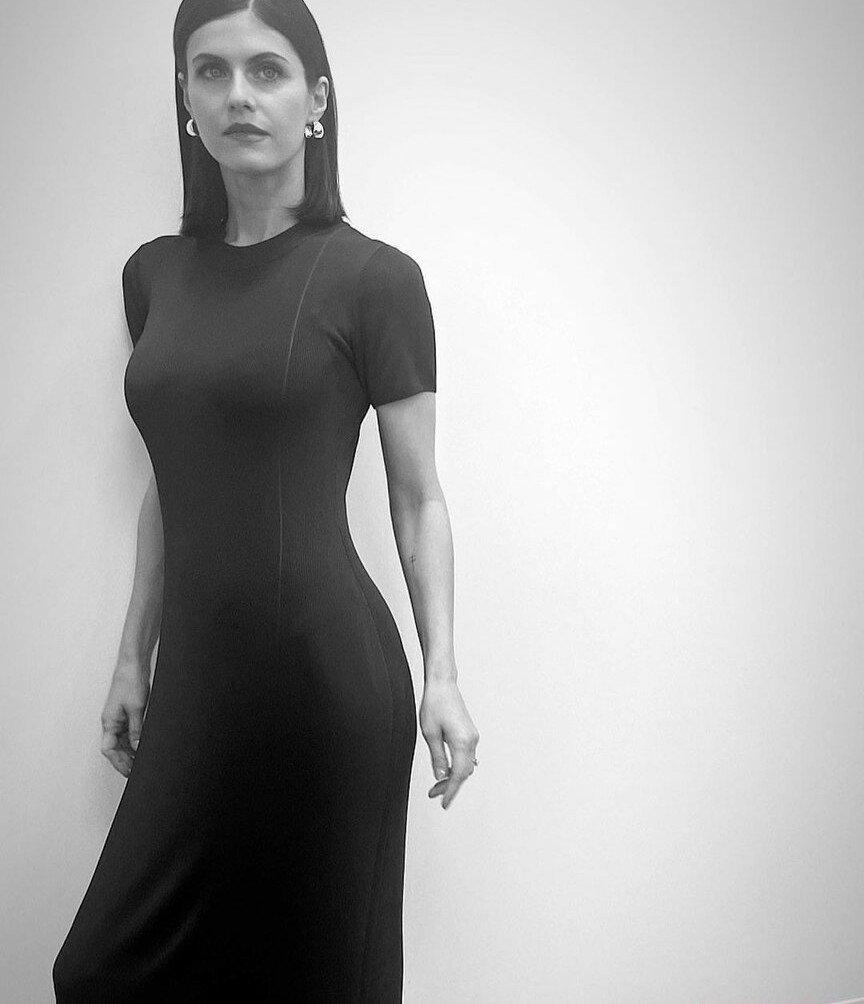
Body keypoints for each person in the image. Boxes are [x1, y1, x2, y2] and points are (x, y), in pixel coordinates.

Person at [51, 1, 480, 999]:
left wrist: (444, 674)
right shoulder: (154, 275)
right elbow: (172, 477)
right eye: (210, 71)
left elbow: (419, 499)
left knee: (314, 976)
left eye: (267, 70)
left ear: (316, 99)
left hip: (325, 681)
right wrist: (132, 655)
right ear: (185, 100)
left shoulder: (375, 279)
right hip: (197, 682)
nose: (238, 94)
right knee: (101, 971)